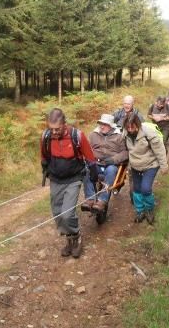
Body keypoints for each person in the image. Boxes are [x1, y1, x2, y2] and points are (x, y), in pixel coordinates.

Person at [41, 108, 96, 258]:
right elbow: (44, 156)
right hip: (55, 179)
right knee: (57, 213)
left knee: (67, 213)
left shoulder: (76, 135)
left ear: (64, 124)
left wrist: (94, 174)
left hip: (73, 178)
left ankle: (76, 236)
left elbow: (90, 157)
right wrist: (45, 169)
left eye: (57, 129)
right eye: (51, 129)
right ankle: (69, 240)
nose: (54, 132)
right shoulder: (46, 136)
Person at [123, 113, 169, 224]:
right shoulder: (125, 134)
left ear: (137, 125)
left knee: (145, 188)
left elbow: (160, 150)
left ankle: (149, 210)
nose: (130, 130)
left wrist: (164, 166)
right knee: (137, 189)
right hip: (135, 166)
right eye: (128, 127)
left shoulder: (149, 133)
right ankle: (140, 211)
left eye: (132, 127)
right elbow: (123, 149)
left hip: (150, 164)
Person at [84, 114, 129, 214]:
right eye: (100, 124)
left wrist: (113, 159)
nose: (102, 126)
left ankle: (102, 200)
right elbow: (87, 149)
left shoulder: (119, 136)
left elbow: (125, 152)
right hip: (96, 162)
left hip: (111, 164)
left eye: (105, 124)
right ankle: (90, 199)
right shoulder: (93, 135)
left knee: (111, 170)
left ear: (111, 125)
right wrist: (88, 158)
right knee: (86, 169)